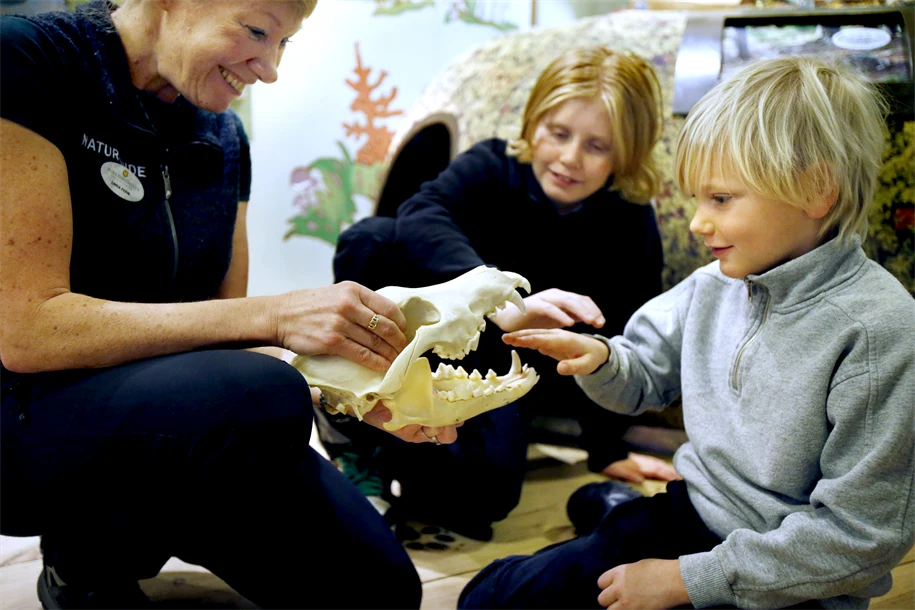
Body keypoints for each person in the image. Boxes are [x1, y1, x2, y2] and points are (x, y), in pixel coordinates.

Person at [0, 1, 459, 608]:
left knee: (381, 594)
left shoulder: (223, 137)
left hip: (168, 417)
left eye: (285, 43)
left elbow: (229, 341)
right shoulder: (29, 61)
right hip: (25, 419)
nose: (269, 69)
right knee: (259, 394)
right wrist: (278, 314)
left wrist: (357, 389)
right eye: (256, 31)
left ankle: (164, 516)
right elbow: (27, 329)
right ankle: (86, 560)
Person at [457, 56, 915, 610]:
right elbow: (639, 378)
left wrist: (686, 580)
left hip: (791, 583)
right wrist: (600, 360)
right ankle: (609, 511)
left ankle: (606, 508)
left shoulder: (879, 332)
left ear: (816, 189)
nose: (698, 222)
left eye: (720, 199)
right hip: (688, 513)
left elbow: (861, 537)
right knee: (487, 602)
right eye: (698, 198)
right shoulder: (711, 286)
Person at [323, 46, 680, 542]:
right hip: (434, 336)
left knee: (480, 503)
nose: (569, 158)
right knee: (371, 237)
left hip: (509, 367)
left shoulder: (628, 221)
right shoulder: (491, 163)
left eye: (597, 146)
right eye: (559, 133)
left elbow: (624, 335)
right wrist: (496, 300)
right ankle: (356, 432)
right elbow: (421, 214)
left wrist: (607, 451)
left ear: (626, 153)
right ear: (534, 123)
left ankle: (392, 453)